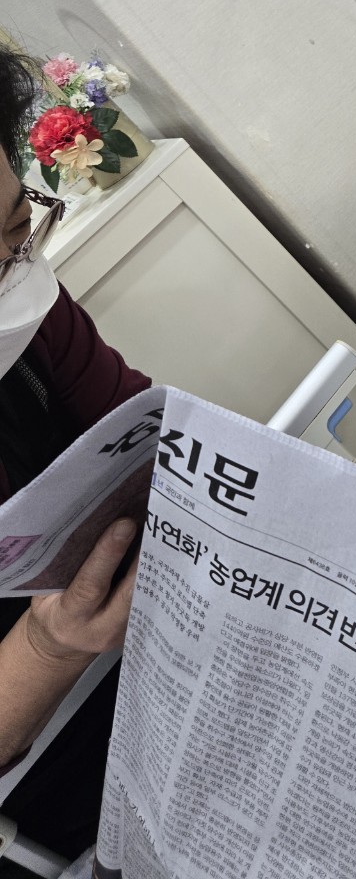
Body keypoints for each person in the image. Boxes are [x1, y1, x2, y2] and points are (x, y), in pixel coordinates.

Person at [0, 45, 150, 855]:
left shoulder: (24, 311)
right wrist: (46, 646)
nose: (7, 274)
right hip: (52, 757)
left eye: (14, 230)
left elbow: (139, 423)